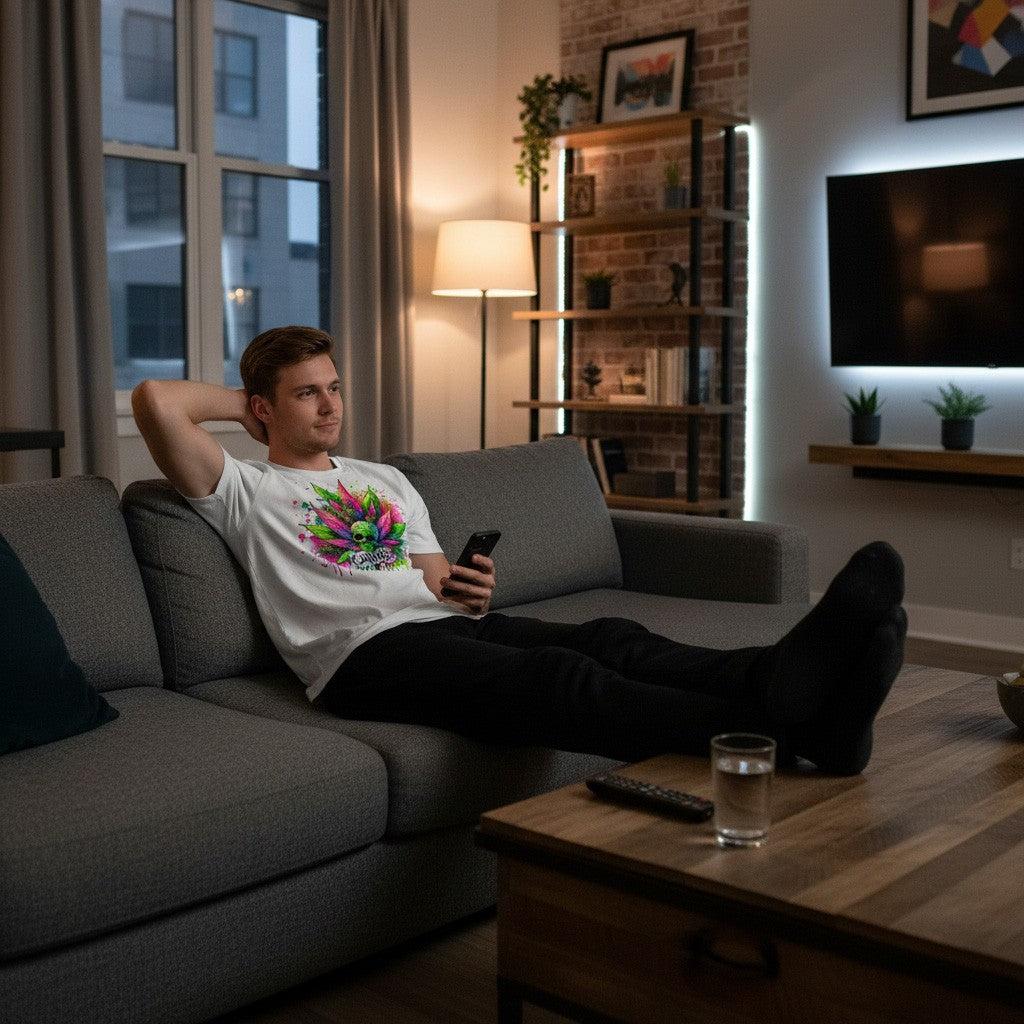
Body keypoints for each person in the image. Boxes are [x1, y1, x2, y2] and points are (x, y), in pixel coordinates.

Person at [132, 325, 907, 775]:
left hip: (440, 628)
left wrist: (466, 586)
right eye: (308, 393)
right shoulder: (244, 489)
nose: (331, 404)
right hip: (361, 660)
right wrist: (253, 405)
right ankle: (793, 733)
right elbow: (157, 402)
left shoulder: (381, 481)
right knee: (560, 678)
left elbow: (436, 579)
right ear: (263, 410)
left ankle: (782, 680)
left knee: (612, 639)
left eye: (334, 386)